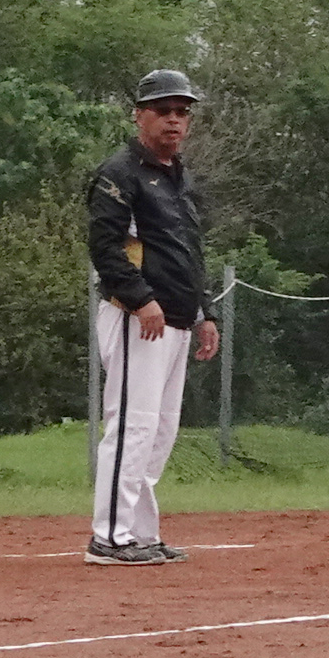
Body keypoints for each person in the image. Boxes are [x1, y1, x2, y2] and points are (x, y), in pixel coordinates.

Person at [84, 69, 218, 565]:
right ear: (139, 115)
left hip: (177, 317)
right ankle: (108, 537)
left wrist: (205, 311)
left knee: (159, 430)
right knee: (132, 426)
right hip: (137, 316)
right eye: (163, 110)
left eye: (182, 112)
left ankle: (140, 533)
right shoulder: (120, 173)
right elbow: (105, 247)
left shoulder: (178, 174)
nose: (174, 120)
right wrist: (141, 298)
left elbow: (187, 251)